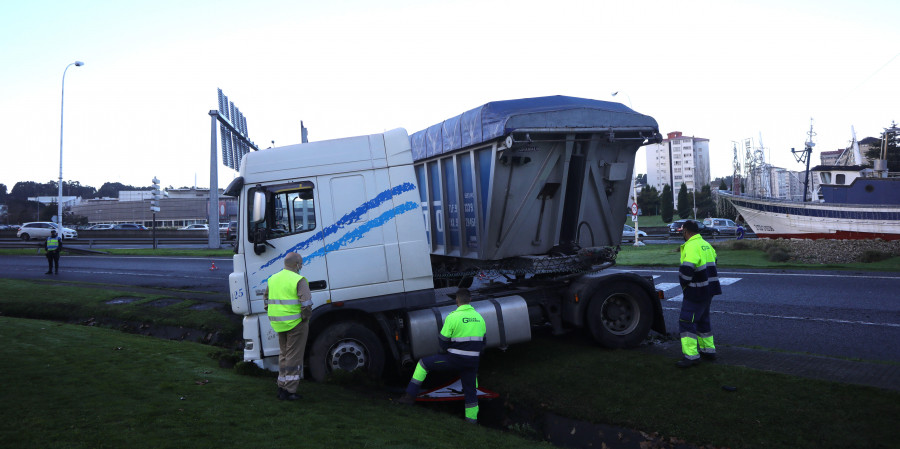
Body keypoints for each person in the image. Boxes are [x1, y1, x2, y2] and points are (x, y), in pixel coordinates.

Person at [398, 288, 486, 424]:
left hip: (454, 360)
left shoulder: (452, 317)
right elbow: (483, 343)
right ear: (470, 300)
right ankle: (471, 422)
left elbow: (443, 341)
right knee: (471, 391)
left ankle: (409, 397)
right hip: (472, 362)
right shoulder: (480, 318)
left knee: (423, 364)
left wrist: (445, 351)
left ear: (457, 300)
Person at [264, 252, 312, 400]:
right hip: (296, 323)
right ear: (297, 265)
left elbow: (266, 300)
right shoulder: (299, 280)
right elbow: (306, 304)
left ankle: (282, 385)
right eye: (301, 263)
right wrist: (305, 318)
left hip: (279, 323)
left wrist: (275, 314)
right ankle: (290, 391)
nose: (302, 266)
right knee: (293, 357)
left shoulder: (273, 278)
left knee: (283, 355)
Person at [676, 220, 722, 368]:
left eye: (682, 232)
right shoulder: (706, 245)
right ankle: (708, 351)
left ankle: (691, 356)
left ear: (686, 232)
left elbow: (687, 271)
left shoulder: (691, 246)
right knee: (703, 320)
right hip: (709, 290)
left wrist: (684, 283)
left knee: (686, 322)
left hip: (695, 290)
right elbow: (714, 260)